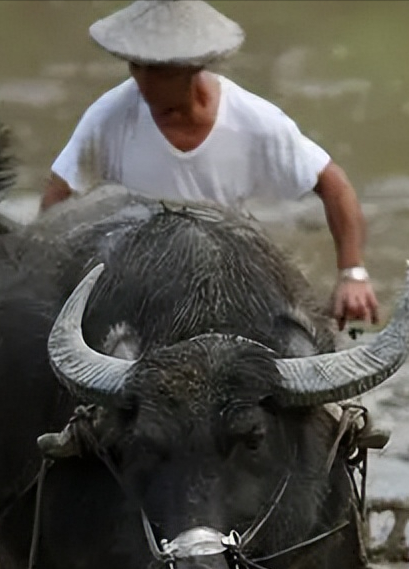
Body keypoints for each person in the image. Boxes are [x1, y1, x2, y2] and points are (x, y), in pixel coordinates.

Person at [40, 0, 379, 329]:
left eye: (156, 69)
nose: (141, 80)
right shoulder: (110, 117)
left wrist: (353, 273)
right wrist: (54, 284)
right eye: (134, 65)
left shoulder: (254, 122)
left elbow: (334, 185)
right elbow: (58, 196)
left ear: (190, 68)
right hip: (139, 277)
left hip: (226, 268)